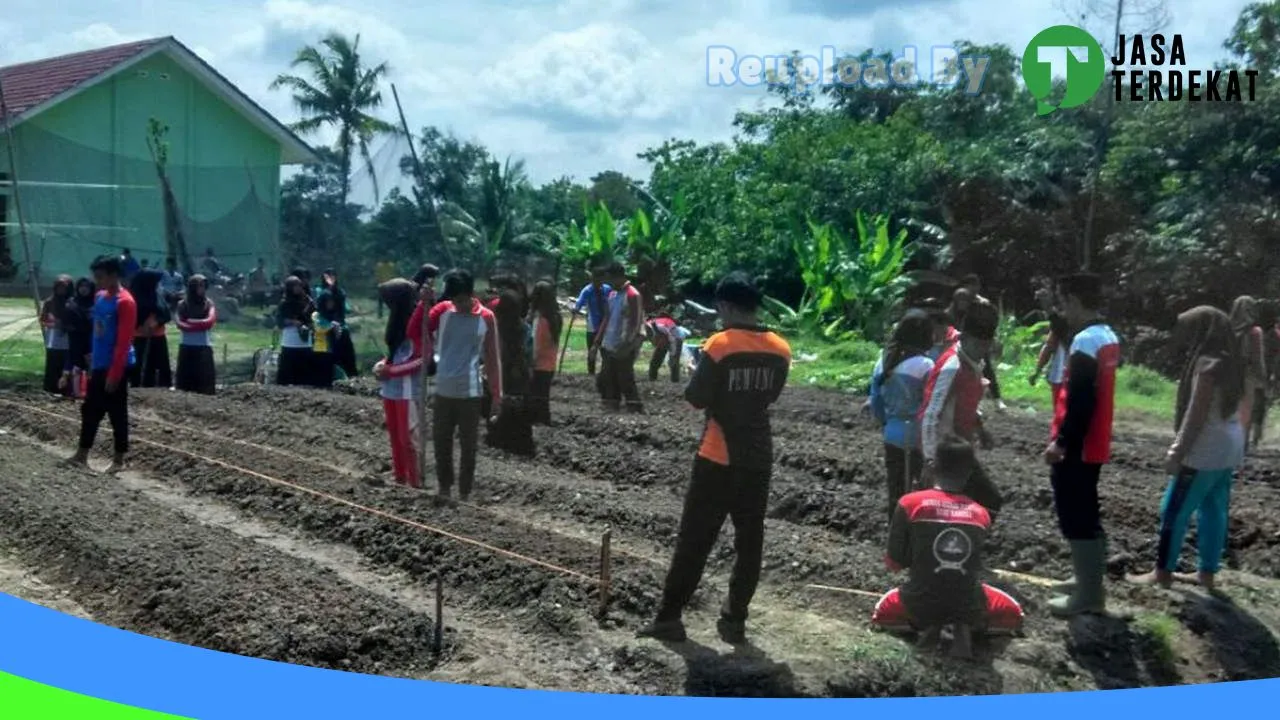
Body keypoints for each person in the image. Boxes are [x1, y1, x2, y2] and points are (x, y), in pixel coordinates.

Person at [637, 272, 791, 644]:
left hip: (717, 456)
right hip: (758, 457)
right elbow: (769, 398)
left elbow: (696, 398)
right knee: (750, 542)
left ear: (724, 306)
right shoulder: (781, 349)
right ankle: (734, 619)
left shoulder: (720, 345)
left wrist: (696, 372)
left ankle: (669, 618)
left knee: (695, 538)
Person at [871, 438, 1024, 657]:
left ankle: (930, 627)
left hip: (919, 603)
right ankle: (961, 628)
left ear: (932, 466)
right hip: (968, 605)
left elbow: (895, 563)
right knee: (1013, 614)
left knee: (883, 611)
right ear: (970, 472)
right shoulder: (981, 514)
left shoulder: (909, 503)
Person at [1129, 307, 1244, 592]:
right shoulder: (1232, 362)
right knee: (1214, 510)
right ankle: (1207, 575)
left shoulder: (1206, 364)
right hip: (1229, 445)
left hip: (1203, 450)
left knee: (1173, 510)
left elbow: (1196, 415)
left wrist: (1177, 451)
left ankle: (1163, 572)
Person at [1043, 273, 1120, 617]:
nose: (1062, 309)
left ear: (1074, 299)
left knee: (1075, 513)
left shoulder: (1085, 342)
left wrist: (1062, 442)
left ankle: (1089, 595)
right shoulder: (1107, 336)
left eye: (1062, 301)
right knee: (1087, 509)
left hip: (1079, 443)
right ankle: (1087, 580)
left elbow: (1081, 399)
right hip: (1096, 441)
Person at [919, 300, 1004, 515]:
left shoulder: (975, 364)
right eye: (977, 345)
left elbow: (965, 401)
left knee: (976, 503)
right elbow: (930, 413)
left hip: (961, 447)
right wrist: (930, 460)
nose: (980, 351)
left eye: (985, 347)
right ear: (963, 337)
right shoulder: (951, 366)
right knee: (987, 500)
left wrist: (980, 428)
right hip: (945, 451)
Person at [426, 269, 502, 503]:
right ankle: (444, 487)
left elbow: (492, 357)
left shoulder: (486, 317)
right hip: (443, 389)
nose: (456, 305)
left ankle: (465, 492)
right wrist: (423, 302)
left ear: (469, 294)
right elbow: (417, 328)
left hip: (470, 392)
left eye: (460, 300)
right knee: (441, 442)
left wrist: (497, 395)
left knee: (469, 446)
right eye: (453, 300)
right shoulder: (442, 312)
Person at [66, 255, 136, 474]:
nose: (97, 281)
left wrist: (114, 374)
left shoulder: (125, 302)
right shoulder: (100, 297)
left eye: (100, 276)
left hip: (116, 365)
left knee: (117, 412)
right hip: (98, 363)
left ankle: (119, 460)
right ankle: (82, 453)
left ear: (114, 275)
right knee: (90, 410)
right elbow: (97, 332)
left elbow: (124, 341)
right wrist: (91, 358)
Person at [869, 310, 936, 517]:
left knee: (896, 493)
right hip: (916, 438)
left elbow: (876, 402)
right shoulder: (926, 366)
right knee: (919, 493)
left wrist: (887, 423)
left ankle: (895, 539)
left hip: (892, 434)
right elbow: (931, 406)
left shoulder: (883, 362)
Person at [373, 279, 425, 488]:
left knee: (408, 438)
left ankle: (415, 480)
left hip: (407, 389)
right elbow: (395, 355)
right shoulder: (395, 322)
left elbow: (421, 359)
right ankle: (399, 476)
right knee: (395, 435)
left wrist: (390, 370)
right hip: (391, 387)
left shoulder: (416, 323)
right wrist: (382, 365)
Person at [485, 287, 536, 457]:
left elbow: (490, 351)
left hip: (501, 372)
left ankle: (498, 437)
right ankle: (519, 441)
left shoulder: (496, 328)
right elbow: (529, 353)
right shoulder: (525, 329)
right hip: (520, 373)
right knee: (519, 406)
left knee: (499, 403)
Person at [594, 261, 645, 412]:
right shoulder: (612, 294)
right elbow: (607, 318)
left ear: (616, 277)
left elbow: (635, 323)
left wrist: (627, 345)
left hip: (624, 345)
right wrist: (597, 342)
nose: (607, 282)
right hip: (609, 343)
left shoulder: (632, 295)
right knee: (607, 379)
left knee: (625, 379)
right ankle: (612, 406)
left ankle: (635, 408)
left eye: (608, 278)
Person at [1229, 296, 1266, 455]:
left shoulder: (1227, 328)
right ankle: (1240, 445)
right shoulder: (1255, 331)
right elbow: (1258, 357)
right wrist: (1262, 377)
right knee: (1246, 410)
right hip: (1248, 373)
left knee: (1228, 408)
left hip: (1228, 373)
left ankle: (1225, 442)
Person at [128, 267, 172, 389]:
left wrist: (157, 321)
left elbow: (167, 314)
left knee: (159, 364)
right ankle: (138, 386)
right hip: (139, 336)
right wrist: (142, 323)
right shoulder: (133, 297)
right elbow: (131, 316)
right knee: (140, 364)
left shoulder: (157, 294)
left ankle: (162, 386)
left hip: (158, 336)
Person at [174, 274, 218, 395]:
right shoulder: (182, 304)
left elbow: (209, 322)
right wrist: (196, 325)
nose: (202, 289)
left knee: (204, 381)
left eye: (204, 286)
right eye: (199, 286)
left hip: (203, 347)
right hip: (186, 347)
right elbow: (179, 323)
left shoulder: (208, 303)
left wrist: (191, 322)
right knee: (185, 383)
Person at [530, 280, 561, 425]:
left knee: (537, 398)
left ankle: (540, 423)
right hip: (550, 362)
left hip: (538, 364)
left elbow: (537, 346)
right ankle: (545, 422)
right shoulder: (556, 317)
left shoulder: (541, 320)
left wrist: (530, 363)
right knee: (543, 397)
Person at [60, 277, 96, 399]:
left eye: (87, 286)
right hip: (75, 337)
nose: (84, 289)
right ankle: (74, 393)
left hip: (91, 337)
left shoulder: (95, 302)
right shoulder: (71, 302)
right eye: (81, 286)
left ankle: (91, 392)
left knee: (91, 364)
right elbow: (65, 319)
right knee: (74, 364)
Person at [1030, 309, 1073, 410]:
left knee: (1061, 413)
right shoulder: (1084, 327)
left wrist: (1037, 371)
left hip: (1060, 377)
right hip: (1077, 377)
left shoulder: (1059, 328)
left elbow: (1048, 348)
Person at [276, 276, 315, 386]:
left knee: (304, 370)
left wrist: (311, 324)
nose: (298, 288)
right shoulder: (285, 303)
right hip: (290, 341)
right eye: (295, 286)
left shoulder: (307, 301)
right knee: (287, 370)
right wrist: (293, 322)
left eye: (299, 285)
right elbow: (279, 321)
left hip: (304, 340)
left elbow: (314, 315)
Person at [573, 269, 613, 376]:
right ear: (592, 279)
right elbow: (579, 303)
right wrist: (576, 308)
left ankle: (606, 372)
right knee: (592, 351)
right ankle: (591, 373)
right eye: (596, 279)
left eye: (600, 279)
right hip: (593, 325)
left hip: (606, 326)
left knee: (606, 351)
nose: (598, 282)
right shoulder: (587, 290)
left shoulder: (607, 289)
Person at [40, 275, 74, 396]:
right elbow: (43, 320)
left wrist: (66, 325)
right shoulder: (50, 302)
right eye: (59, 287)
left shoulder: (72, 302)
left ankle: (66, 388)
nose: (61, 290)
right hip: (53, 339)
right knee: (52, 362)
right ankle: (50, 388)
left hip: (68, 339)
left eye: (64, 288)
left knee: (66, 362)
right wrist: (53, 324)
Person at [644, 314, 691, 383]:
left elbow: (672, 340)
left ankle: (675, 380)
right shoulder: (649, 326)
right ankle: (652, 379)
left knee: (673, 362)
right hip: (664, 336)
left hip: (676, 338)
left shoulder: (665, 330)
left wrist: (672, 352)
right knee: (655, 360)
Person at [310, 290, 340, 388]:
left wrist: (337, 331)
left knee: (329, 377)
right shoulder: (316, 315)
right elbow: (319, 328)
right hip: (319, 348)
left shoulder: (333, 315)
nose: (331, 304)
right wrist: (332, 326)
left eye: (332, 301)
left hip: (330, 348)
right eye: (328, 301)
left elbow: (337, 335)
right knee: (319, 378)